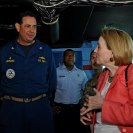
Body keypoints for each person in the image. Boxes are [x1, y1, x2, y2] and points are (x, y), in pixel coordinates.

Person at [0, 11, 57, 133]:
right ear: (17, 27)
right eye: (27, 26)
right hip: (11, 109)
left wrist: (42, 99)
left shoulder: (45, 50)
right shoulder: (4, 52)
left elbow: (52, 80)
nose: (32, 30)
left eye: (34, 26)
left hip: (40, 108)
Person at [80, 26, 133, 133]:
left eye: (98, 46)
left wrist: (103, 105)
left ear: (113, 51)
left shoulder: (131, 73)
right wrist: (90, 111)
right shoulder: (104, 76)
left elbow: (104, 105)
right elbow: (100, 108)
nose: (95, 50)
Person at [53, 49, 88, 133]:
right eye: (67, 55)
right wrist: (51, 106)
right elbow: (49, 90)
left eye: (72, 55)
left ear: (75, 58)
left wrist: (85, 106)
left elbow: (86, 91)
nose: (70, 57)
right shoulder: (55, 72)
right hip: (60, 110)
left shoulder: (81, 73)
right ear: (63, 58)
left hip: (76, 110)